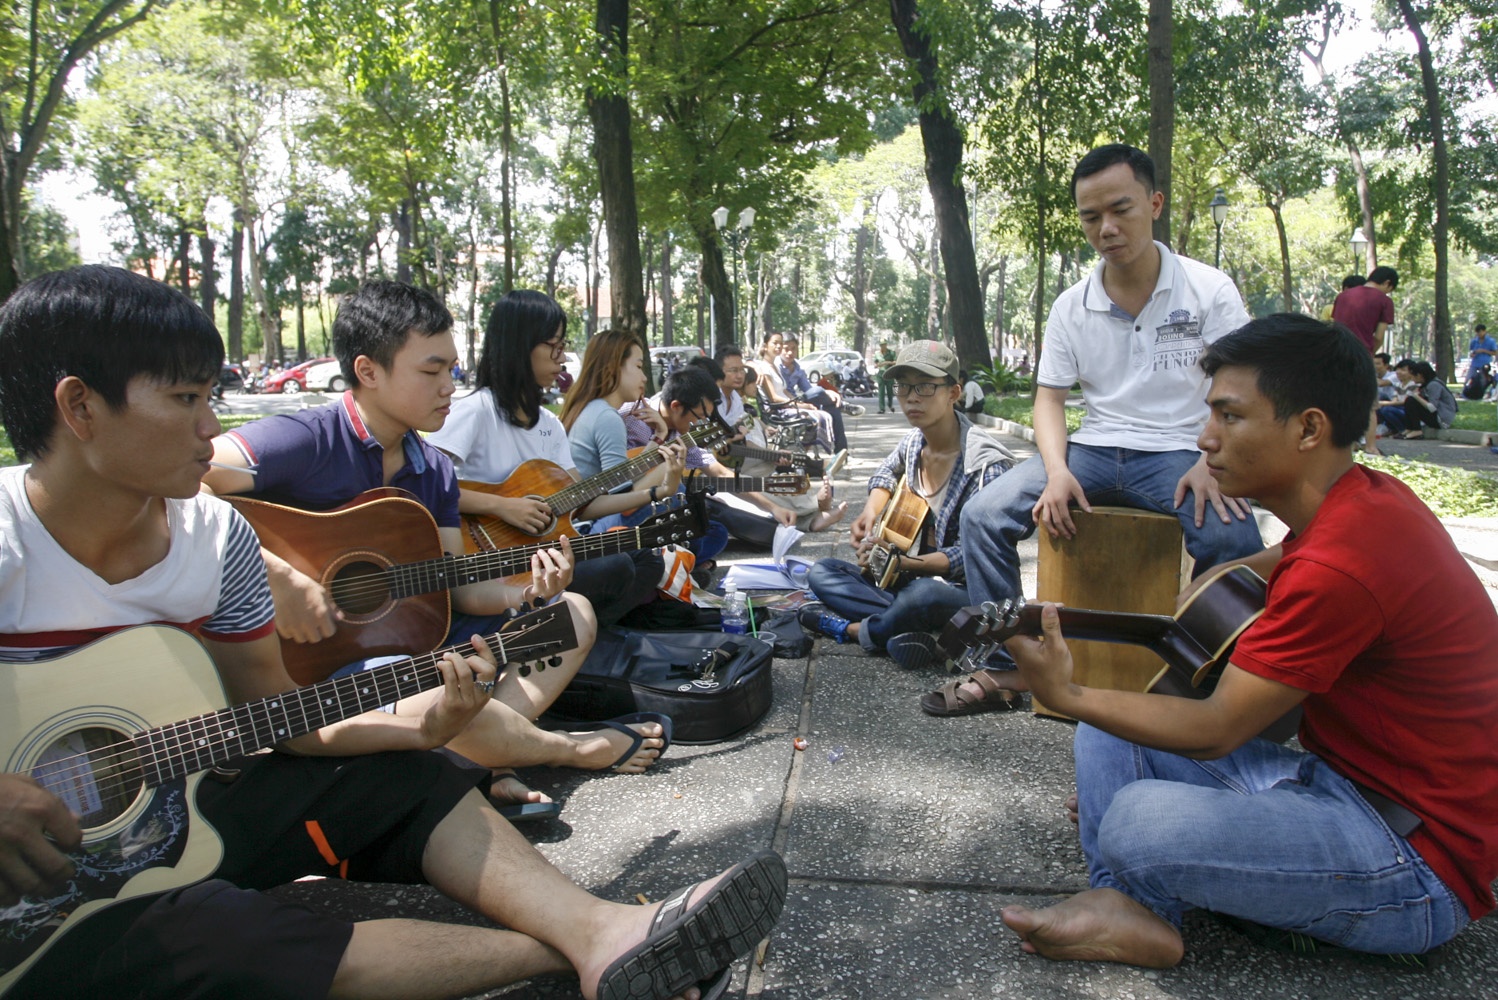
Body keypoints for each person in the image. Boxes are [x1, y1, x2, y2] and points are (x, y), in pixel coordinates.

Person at [0, 264, 788, 1000]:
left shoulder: (218, 540)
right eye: (184, 401)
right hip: (36, 904)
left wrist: (422, 729)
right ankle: (586, 946)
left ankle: (602, 932)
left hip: (194, 812)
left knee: (406, 771)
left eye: (212, 397)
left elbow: (286, 722)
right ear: (80, 408)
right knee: (212, 936)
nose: (211, 424)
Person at [996, 313, 1498, 971]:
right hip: (1342, 786)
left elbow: (1218, 728)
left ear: (1308, 428)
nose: (1205, 438)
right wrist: (1211, 588)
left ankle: (1133, 888)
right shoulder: (1364, 501)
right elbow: (1259, 569)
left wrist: (1063, 690)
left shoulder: (1340, 565)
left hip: (1415, 865)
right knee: (1111, 730)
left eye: (1229, 417)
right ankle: (1126, 906)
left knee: (1135, 820)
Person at [203, 283, 669, 811]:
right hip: (317, 668)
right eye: (432, 371)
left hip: (410, 641)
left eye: (452, 369)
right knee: (437, 695)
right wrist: (276, 576)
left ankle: (479, 760)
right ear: (368, 371)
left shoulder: (434, 470)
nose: (450, 386)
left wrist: (528, 593)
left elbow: (461, 588)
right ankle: (557, 750)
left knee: (572, 613)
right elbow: (183, 481)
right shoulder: (304, 439)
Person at [943, 143, 1263, 716]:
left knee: (1234, 542)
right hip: (1091, 450)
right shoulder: (1072, 305)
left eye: (1121, 209)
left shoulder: (1208, 290)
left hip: (1177, 454)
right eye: (1091, 217)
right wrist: (1058, 470)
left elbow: (1238, 390)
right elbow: (1050, 399)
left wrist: (1211, 458)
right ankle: (1010, 666)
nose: (1107, 228)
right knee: (982, 516)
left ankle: (1212, 682)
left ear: (1155, 203)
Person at [801, 342, 1014, 669]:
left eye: (925, 386)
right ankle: (923, 632)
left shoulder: (986, 465)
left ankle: (861, 630)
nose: (911, 397)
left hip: (969, 595)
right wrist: (871, 512)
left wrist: (907, 565)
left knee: (924, 595)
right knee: (822, 571)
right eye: (903, 386)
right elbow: (886, 471)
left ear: (953, 393)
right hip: (913, 578)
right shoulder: (914, 442)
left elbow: (974, 555)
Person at [777, 336, 850, 452]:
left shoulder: (797, 368)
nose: (790, 352)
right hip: (784, 403)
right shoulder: (776, 366)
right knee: (826, 398)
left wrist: (827, 392)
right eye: (786, 349)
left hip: (798, 399)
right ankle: (843, 405)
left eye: (794, 349)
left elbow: (809, 390)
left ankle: (842, 451)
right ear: (780, 348)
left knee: (831, 407)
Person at [1394, 359, 1457, 440]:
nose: (1412, 379)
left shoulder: (1434, 385)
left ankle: (1417, 430)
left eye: (1413, 376)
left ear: (1420, 375)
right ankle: (1409, 429)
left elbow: (1432, 408)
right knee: (1409, 400)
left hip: (1442, 419)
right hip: (1435, 415)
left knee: (1411, 400)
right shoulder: (1425, 385)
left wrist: (1416, 396)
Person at [1465, 323, 1495, 400]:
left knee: (1482, 381)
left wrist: (1483, 351)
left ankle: (1480, 395)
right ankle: (1465, 394)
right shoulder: (1474, 341)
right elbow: (1471, 351)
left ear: (1484, 331)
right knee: (1469, 378)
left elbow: (1495, 352)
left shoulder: (1490, 341)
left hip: (1484, 363)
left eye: (1480, 332)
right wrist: (1472, 354)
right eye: (1477, 332)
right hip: (1475, 363)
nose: (1479, 334)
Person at [874, 339, 897, 414]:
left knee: (890, 392)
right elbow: (875, 364)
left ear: (886, 345)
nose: (883, 346)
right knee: (881, 392)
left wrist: (887, 362)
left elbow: (895, 362)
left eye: (884, 344)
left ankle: (890, 405)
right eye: (881, 345)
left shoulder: (891, 352)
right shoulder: (877, 353)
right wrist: (879, 365)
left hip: (889, 373)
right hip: (881, 374)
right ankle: (882, 408)